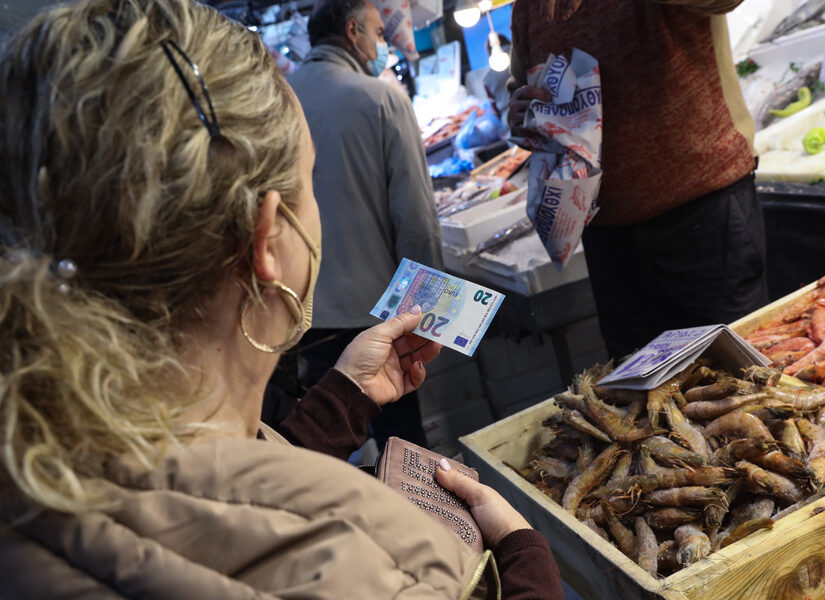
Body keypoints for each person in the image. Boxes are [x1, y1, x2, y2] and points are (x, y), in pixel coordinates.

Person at [0, 1, 564, 598]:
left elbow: (205, 495)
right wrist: (522, 554)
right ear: (266, 238)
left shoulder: (46, 449)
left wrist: (339, 403)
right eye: (310, 183)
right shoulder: (362, 568)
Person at [508, 0, 770, 359]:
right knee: (637, 400)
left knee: (742, 382)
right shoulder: (529, 8)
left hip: (704, 214)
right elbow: (522, 84)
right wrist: (523, 110)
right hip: (607, 237)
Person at [284, 0, 444, 449]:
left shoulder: (277, 100)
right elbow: (416, 219)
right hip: (377, 316)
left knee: (325, 433)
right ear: (352, 32)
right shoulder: (380, 97)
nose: (380, 43)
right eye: (376, 32)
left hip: (305, 312)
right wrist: (434, 309)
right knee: (401, 444)